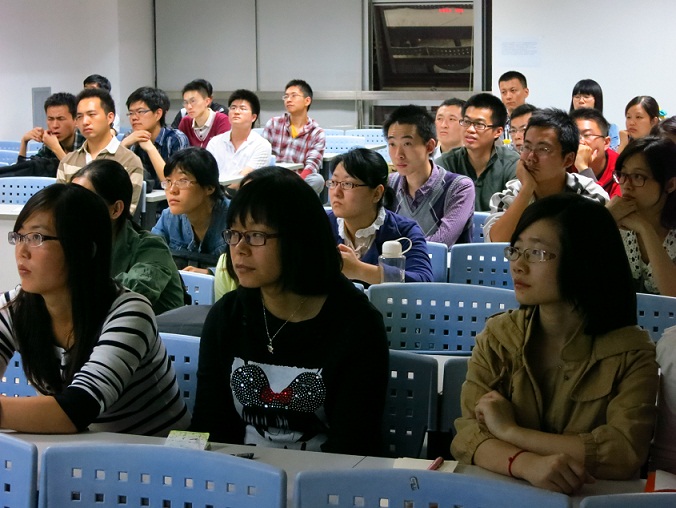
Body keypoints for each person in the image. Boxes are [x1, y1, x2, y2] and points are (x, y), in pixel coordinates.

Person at [452, 193, 658, 493]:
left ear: (584, 261)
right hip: (502, 495)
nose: (518, 265)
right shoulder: (499, 336)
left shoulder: (631, 352)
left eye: (537, 253)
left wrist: (509, 431)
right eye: (516, 250)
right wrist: (525, 464)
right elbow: (469, 436)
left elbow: (623, 453)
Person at [190, 168, 389, 456]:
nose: (239, 249)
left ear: (298, 240)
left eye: (256, 235)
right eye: (234, 234)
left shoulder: (356, 324)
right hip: (239, 474)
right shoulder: (227, 316)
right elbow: (208, 426)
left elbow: (353, 445)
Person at [0, 183, 190, 435]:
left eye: (37, 238)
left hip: (155, 454)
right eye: (19, 237)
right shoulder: (16, 306)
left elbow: (79, 408)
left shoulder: (129, 312)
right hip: (72, 451)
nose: (21, 252)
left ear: (84, 250)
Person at [72, 160, 185, 315]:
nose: (73, 210)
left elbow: (128, 296)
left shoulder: (152, 248)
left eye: (84, 202)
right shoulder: (79, 243)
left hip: (156, 328)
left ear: (116, 209)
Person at [484, 108, 608, 242]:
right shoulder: (513, 192)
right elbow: (495, 243)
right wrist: (526, 190)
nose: (531, 157)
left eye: (543, 149)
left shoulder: (589, 195)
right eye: (527, 147)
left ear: (568, 160)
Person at [326, 148, 433, 285]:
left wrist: (359, 270)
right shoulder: (320, 224)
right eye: (333, 182)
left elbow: (423, 281)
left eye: (347, 184)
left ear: (377, 193)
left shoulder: (404, 231)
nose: (336, 192)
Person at [385, 104, 474, 249]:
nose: (398, 154)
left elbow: (441, 242)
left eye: (407, 144)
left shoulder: (459, 187)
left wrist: (394, 251)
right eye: (392, 144)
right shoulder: (389, 184)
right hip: (396, 262)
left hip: (444, 264)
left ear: (430, 146)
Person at [606, 136, 676, 296]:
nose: (626, 185)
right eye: (623, 174)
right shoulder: (613, 217)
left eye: (638, 176)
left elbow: (672, 297)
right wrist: (604, 219)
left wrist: (645, 229)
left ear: (670, 184)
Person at [56, 88, 144, 214]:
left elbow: (126, 213)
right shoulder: (68, 161)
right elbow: (59, 207)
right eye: (80, 116)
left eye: (92, 114)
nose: (85, 122)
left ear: (110, 117)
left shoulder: (129, 161)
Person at [437, 93, 519, 211]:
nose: (470, 129)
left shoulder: (512, 164)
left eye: (479, 124)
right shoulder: (446, 164)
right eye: (467, 122)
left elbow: (514, 211)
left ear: (498, 132)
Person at [151, 147, 229, 270]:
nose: (172, 190)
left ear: (209, 188)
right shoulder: (168, 217)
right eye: (168, 181)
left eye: (183, 181)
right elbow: (149, 254)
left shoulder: (235, 218)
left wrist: (212, 274)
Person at [263, 79, 325, 194]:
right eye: (286, 96)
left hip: (298, 180)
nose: (288, 100)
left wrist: (296, 184)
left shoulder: (316, 132)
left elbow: (312, 165)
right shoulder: (273, 124)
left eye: (294, 96)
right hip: (274, 178)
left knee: (317, 180)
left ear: (307, 101)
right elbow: (263, 155)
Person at [120, 86, 189, 190]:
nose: (134, 117)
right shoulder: (129, 138)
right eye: (131, 113)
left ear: (158, 114)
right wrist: (123, 145)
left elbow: (173, 184)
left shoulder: (176, 139)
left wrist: (150, 149)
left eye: (140, 112)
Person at [206, 89, 272, 189]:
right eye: (233, 108)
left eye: (242, 108)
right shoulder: (214, 142)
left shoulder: (262, 145)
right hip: (215, 193)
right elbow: (207, 174)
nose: (236, 112)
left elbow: (244, 180)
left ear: (253, 117)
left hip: (245, 195)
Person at [18, 92, 83, 164]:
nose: (55, 125)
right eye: (50, 119)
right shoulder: (50, 143)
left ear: (76, 120)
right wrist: (24, 141)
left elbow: (78, 170)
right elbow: (23, 169)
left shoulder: (87, 142)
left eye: (61, 119)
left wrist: (56, 148)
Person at [570, 108, 621, 198]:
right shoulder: (564, 163)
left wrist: (583, 169)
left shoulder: (621, 167)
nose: (580, 142)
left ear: (606, 143)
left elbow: (603, 205)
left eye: (587, 135)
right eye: (574, 136)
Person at [568, 78, 619, 151]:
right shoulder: (564, 127)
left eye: (586, 97)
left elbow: (612, 153)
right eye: (577, 97)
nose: (581, 101)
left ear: (596, 100)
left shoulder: (610, 129)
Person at [177, 79, 231, 148]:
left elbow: (222, 150)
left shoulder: (222, 120)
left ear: (207, 101)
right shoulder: (185, 122)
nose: (189, 106)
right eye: (186, 102)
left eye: (193, 101)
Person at [497, 71, 530, 144]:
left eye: (513, 90)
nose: (508, 96)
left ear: (526, 92)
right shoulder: (498, 123)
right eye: (503, 92)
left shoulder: (536, 120)